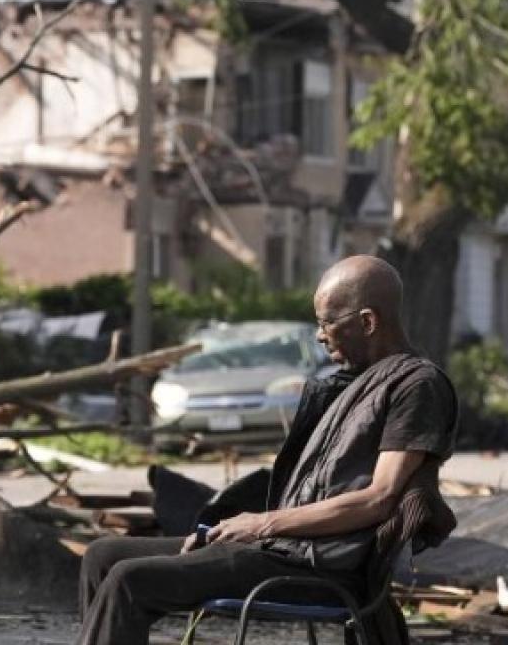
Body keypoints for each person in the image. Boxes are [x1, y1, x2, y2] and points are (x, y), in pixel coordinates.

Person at [76, 255, 458, 645]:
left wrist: (260, 523)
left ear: (368, 321)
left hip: (320, 568)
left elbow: (380, 498)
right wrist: (245, 530)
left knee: (128, 580)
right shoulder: (354, 382)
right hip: (280, 549)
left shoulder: (417, 385)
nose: (321, 335)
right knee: (103, 556)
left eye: (328, 322)